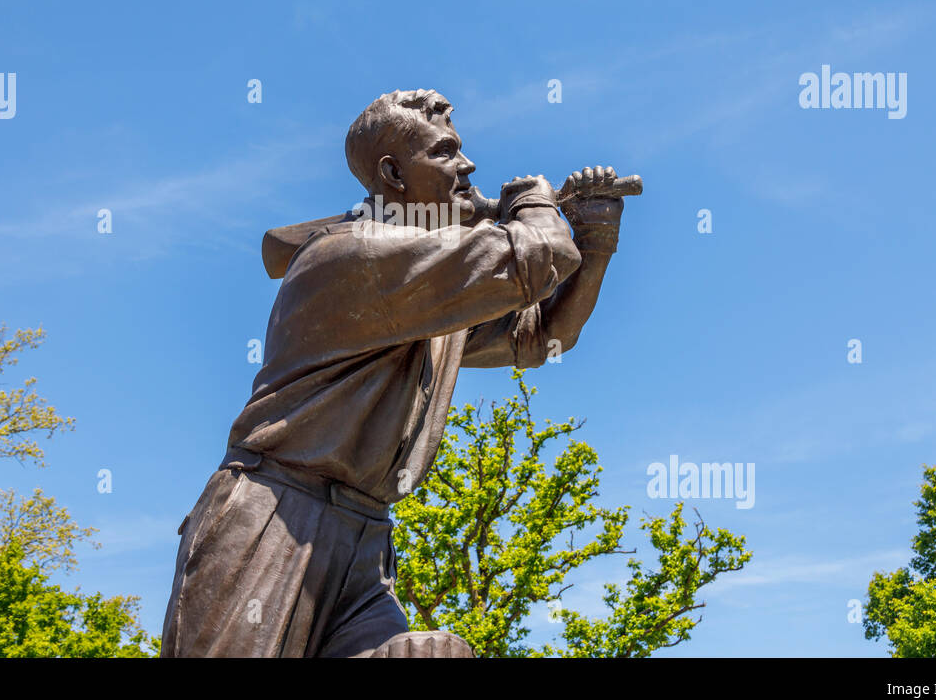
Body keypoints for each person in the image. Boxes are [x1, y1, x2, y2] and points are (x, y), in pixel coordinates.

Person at [161, 88, 624, 657]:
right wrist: (533, 203)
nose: (468, 166)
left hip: (365, 536)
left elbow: (542, 338)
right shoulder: (359, 254)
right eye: (445, 153)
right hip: (273, 517)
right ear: (392, 174)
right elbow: (535, 259)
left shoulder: (428, 289)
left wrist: (597, 240)